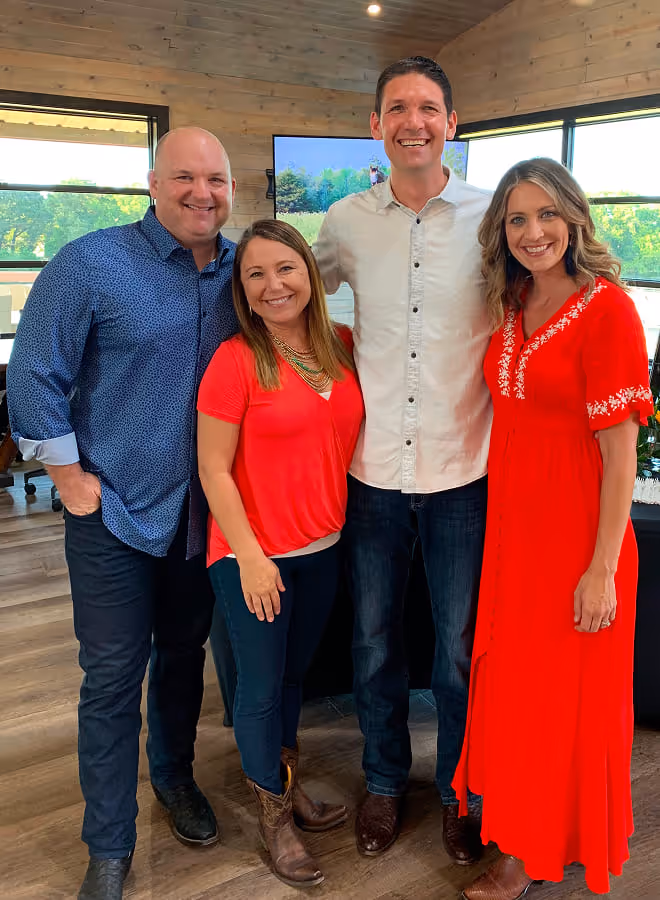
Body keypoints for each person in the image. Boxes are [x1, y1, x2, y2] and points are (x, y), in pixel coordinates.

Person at [7, 126, 239, 900]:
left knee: (182, 658)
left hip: (204, 517)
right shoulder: (92, 263)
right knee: (111, 676)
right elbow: (34, 370)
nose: (201, 192)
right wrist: (69, 477)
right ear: (152, 181)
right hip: (113, 512)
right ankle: (107, 844)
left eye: (215, 179)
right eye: (184, 177)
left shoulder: (248, 270)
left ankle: (174, 780)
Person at [452, 158, 653, 900]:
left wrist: (602, 566)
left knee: (556, 701)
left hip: (577, 540)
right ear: (501, 232)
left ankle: (528, 852)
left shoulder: (607, 311)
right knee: (514, 691)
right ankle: (528, 828)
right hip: (512, 536)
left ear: (573, 220)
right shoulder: (514, 301)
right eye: (516, 219)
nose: (532, 232)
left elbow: (621, 451)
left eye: (545, 215)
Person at [313, 56, 491, 863]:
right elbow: (289, 300)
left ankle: (461, 790)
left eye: (427, 108)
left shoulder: (494, 218)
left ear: (452, 123)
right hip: (373, 472)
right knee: (375, 645)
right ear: (374, 126)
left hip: (465, 472)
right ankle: (384, 782)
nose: (412, 121)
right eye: (396, 108)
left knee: (457, 653)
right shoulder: (345, 221)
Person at [197, 219, 364, 888]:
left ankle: (284, 781)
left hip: (322, 547)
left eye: (285, 269)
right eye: (255, 274)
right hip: (251, 556)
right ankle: (273, 818)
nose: (273, 285)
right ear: (241, 289)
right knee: (261, 693)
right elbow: (213, 469)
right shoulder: (235, 360)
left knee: (295, 679)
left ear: (310, 274)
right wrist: (252, 557)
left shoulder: (342, 346)